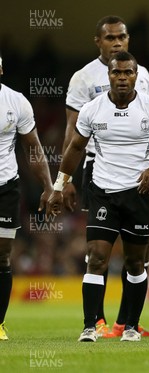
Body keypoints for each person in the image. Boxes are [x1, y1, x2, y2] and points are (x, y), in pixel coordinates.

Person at [47, 51, 149, 342]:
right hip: (103, 192)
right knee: (96, 258)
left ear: (136, 75)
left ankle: (130, 327)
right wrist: (59, 185)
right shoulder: (93, 109)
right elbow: (74, 149)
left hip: (140, 194)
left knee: (136, 264)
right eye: (116, 73)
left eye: (128, 73)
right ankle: (89, 327)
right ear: (108, 75)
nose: (122, 78)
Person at [0, 56, 53, 340]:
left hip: (5, 187)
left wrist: (48, 185)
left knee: (2, 256)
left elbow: (33, 147)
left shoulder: (16, 102)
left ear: (0, 70)